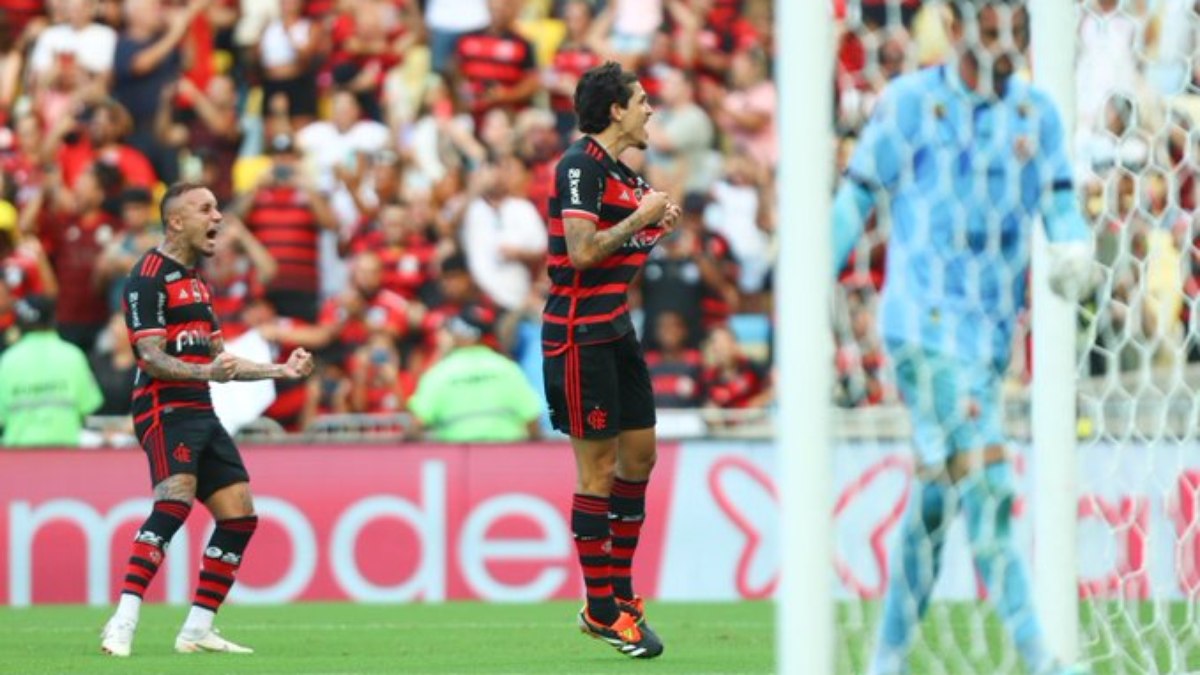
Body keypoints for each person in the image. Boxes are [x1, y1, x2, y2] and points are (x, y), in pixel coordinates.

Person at [831, 3, 1094, 674]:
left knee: (936, 497)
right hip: (920, 325)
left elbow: (1062, 199)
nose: (1009, 36)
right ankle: (1042, 658)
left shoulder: (1038, 114)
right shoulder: (911, 102)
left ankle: (886, 654)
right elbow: (858, 194)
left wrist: (1072, 246)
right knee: (990, 484)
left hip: (987, 335)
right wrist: (808, 287)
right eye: (993, 20)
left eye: (1019, 23)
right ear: (955, 29)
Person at [100, 182, 315, 658]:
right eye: (206, 209)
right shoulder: (148, 275)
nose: (218, 216)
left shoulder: (198, 281)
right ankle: (123, 620)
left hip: (200, 406)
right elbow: (150, 357)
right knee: (174, 503)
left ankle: (197, 629)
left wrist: (283, 369)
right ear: (176, 221)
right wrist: (204, 371)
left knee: (239, 515)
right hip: (163, 405)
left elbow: (221, 360)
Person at [542, 61, 681, 659]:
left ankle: (621, 593)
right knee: (596, 473)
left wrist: (654, 226)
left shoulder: (626, 174)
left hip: (615, 329)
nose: (651, 109)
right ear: (616, 110)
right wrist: (642, 220)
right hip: (579, 337)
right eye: (642, 100)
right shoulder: (579, 166)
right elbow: (579, 253)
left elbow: (622, 240)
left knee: (641, 458)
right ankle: (601, 609)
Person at [407, 304, 542, 442]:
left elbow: (415, 426)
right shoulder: (508, 369)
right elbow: (533, 421)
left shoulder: (440, 372)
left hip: (456, 457)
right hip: (506, 456)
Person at [0, 295, 102, 446]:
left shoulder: (8, 360)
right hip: (66, 451)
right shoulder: (74, 356)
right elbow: (89, 405)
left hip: (18, 451)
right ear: (53, 319)